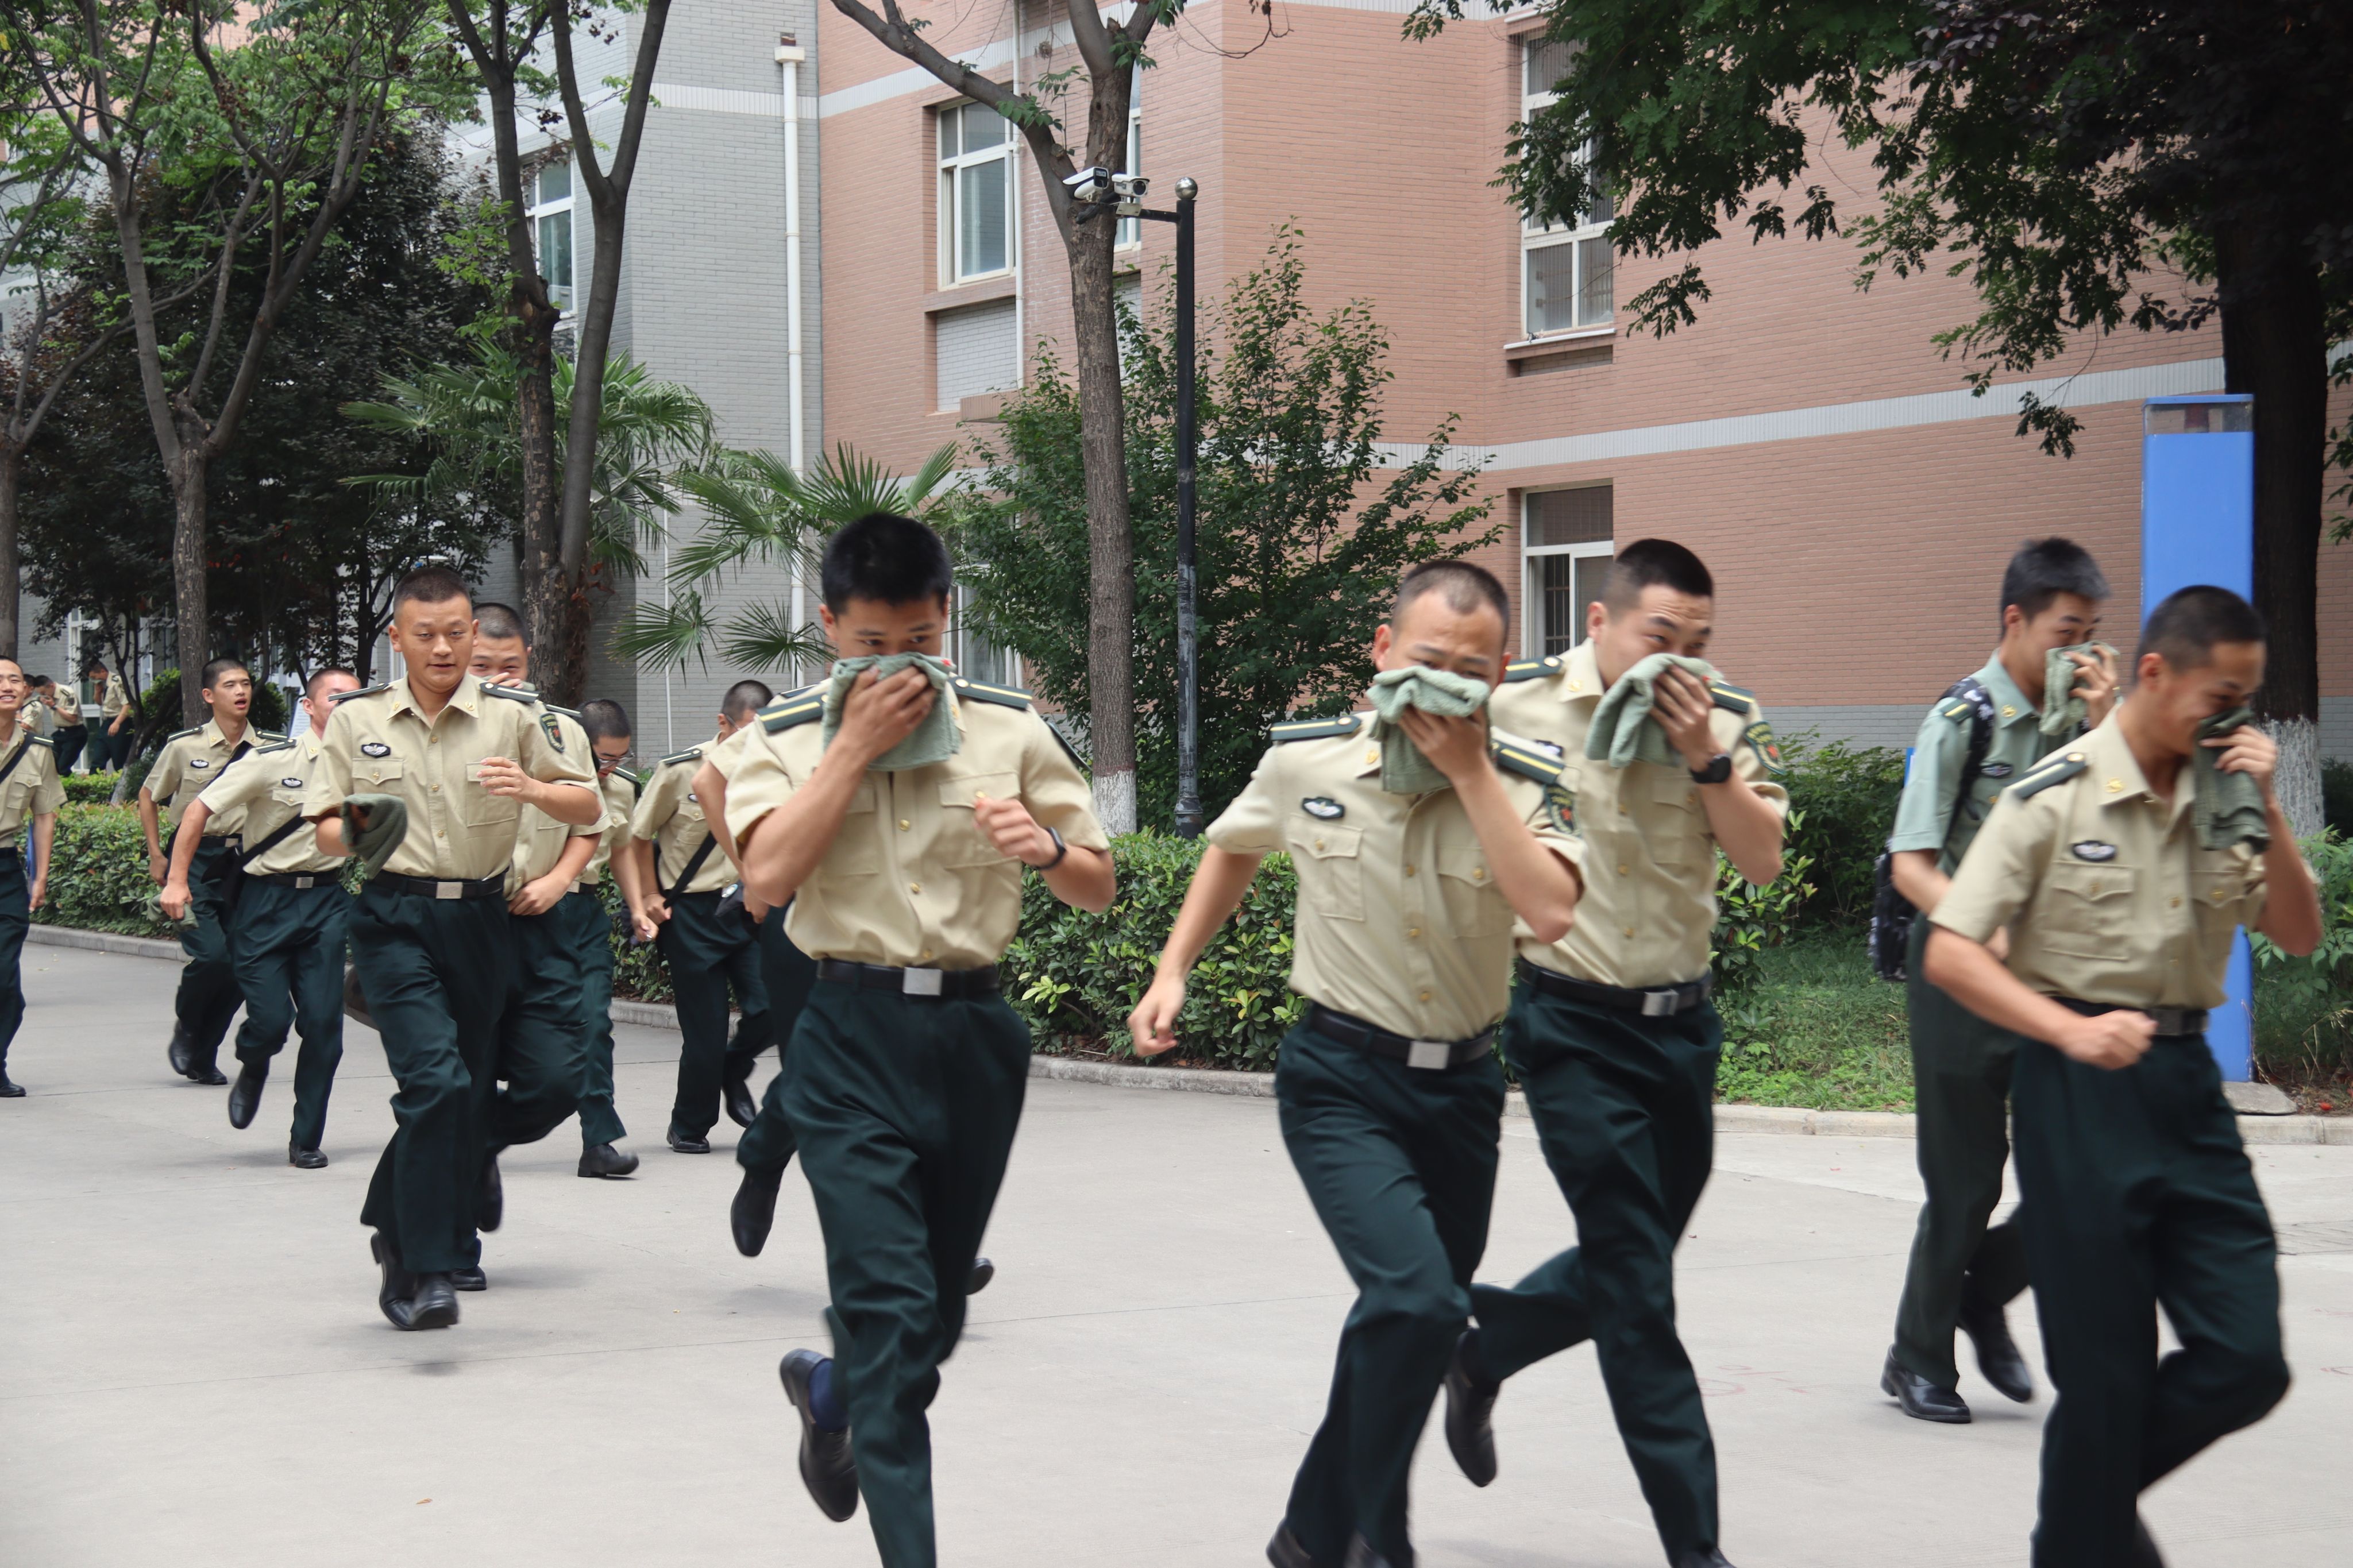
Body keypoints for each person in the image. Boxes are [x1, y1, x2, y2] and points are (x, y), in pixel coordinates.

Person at [1131, 560, 1584, 1568]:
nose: (1443, 684)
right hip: (1341, 1080)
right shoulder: (1309, 763)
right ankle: (1382, 1537)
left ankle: (1309, 1533)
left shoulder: (1525, 780)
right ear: (1382, 653)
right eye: (1426, 660)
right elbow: (1234, 846)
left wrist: (1473, 773)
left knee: (1410, 1318)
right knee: (1420, 1303)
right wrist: (1173, 969)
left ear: (1501, 672)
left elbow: (1552, 910)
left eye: (1470, 670)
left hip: (1462, 1089)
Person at [724, 512, 1113, 1567]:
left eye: (920, 642)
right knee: (895, 1318)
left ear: (947, 618)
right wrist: (851, 748)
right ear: (829, 627)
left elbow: (1097, 883)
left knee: (931, 1322)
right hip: (846, 1036)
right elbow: (767, 877)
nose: (898, 666)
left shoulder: (1007, 730)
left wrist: (1046, 850)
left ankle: (830, 1393)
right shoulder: (784, 740)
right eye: (871, 645)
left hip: (975, 1038)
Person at [1923, 585, 2321, 1567]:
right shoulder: (2053, 795)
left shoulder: (2226, 797)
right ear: (2155, 673)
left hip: (2187, 1092)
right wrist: (2067, 1028)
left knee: (2248, 1360)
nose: (2232, 717)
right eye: (2220, 695)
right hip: (2076, 1093)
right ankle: (2089, 1526)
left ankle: (2078, 1522)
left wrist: (2271, 806)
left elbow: (2299, 932)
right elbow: (1952, 951)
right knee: (2104, 1384)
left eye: (2246, 699)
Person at [1430, 540, 1786, 1568]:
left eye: (1699, 642)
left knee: (1637, 1254)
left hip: (1682, 1033)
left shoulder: (1724, 717)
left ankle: (1486, 1351)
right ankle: (1695, 1544)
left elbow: (1762, 861)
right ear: (1598, 620)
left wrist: (1706, 757)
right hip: (1572, 1027)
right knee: (1637, 1286)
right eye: (1660, 635)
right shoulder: (1518, 706)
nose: (1681, 660)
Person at [303, 566, 599, 1331]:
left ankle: (394, 1224)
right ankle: (427, 1269)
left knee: (462, 1094)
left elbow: (587, 803)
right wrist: (362, 829)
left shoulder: (512, 719)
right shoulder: (356, 719)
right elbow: (324, 828)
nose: (443, 648)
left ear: (473, 634)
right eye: (426, 634)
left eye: (456, 633)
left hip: (480, 919)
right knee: (435, 1082)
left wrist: (534, 791)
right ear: (397, 638)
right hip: (392, 918)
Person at [1880, 538, 2120, 1422]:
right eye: (2067, 633)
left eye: (2092, 634)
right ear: (2015, 620)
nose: (2080, 652)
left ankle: (1980, 1292)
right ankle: (1917, 1359)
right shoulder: (1962, 720)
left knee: (2087, 1167)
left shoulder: (2086, 722)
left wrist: (2109, 724)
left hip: (2054, 972)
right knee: (1968, 1180)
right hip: (1958, 972)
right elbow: (1911, 864)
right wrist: (1986, 925)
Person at [161, 667, 361, 1164]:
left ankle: (306, 1138)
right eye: (337, 698)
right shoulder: (272, 761)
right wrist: (176, 880)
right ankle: (253, 1064)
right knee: (271, 1022)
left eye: (358, 700)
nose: (349, 708)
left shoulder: (373, 767)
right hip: (266, 902)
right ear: (309, 708)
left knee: (324, 1027)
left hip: (326, 902)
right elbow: (197, 811)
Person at [463, 604, 607, 1272]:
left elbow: (591, 822)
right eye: (482, 667)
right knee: (461, 1080)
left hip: (539, 923)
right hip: (466, 923)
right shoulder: (443, 730)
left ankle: (477, 1145)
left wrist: (558, 880)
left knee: (557, 1080)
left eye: (510, 666)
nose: (498, 678)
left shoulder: (561, 730)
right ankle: (451, 1247)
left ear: (529, 662)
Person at [627, 678, 777, 1154]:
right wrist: (650, 894)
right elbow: (638, 836)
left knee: (772, 1007)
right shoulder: (680, 770)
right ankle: (689, 1124)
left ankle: (733, 1068)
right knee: (706, 1032)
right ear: (723, 723)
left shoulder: (773, 769)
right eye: (746, 731)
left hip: (748, 905)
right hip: (692, 914)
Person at [141, 658, 282, 1087]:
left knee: (241, 964)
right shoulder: (184, 747)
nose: (241, 692)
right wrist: (157, 855)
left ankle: (205, 1053)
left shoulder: (273, 748)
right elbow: (148, 796)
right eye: (230, 685)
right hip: (194, 860)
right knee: (212, 956)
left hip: (247, 863)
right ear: (208, 695)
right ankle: (188, 1026)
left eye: (246, 684)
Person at [574, 697, 647, 1178]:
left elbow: (621, 851)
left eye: (622, 758)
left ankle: (598, 1143)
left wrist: (637, 907)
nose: (612, 768)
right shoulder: (539, 779)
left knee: (595, 1026)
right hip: (522, 911)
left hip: (584, 912)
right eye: (604, 758)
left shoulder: (620, 788)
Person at [0, 659, 63, 1098]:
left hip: (6, 871)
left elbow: (45, 816)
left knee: (6, 982)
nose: (7, 686)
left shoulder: (38, 749)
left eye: (14, 680)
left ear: (26, 690)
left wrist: (39, 877)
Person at [40, 677, 86, 775]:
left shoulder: (67, 693)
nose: (44, 696)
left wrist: (54, 706)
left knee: (63, 768)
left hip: (75, 733)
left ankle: (71, 783)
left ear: (51, 686)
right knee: (52, 764)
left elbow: (72, 718)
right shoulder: (50, 697)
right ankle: (67, 782)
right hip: (60, 733)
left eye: (44, 693)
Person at [92, 660, 132, 770]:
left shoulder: (117, 682)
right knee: (98, 759)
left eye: (94, 677)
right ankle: (95, 779)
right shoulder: (103, 684)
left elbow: (128, 704)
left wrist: (117, 723)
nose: (94, 680)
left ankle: (121, 781)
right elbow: (100, 703)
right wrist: (97, 692)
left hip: (120, 722)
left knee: (119, 760)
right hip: (106, 722)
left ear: (103, 671)